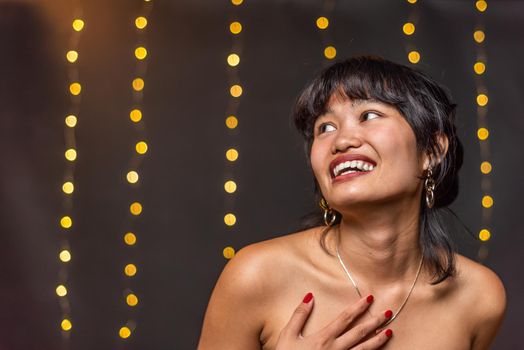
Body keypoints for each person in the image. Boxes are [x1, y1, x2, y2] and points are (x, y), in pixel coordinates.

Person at [197, 56, 506, 349]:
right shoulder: (255, 276)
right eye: (325, 128)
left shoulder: (479, 297)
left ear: (432, 151)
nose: (341, 141)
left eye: (368, 115)